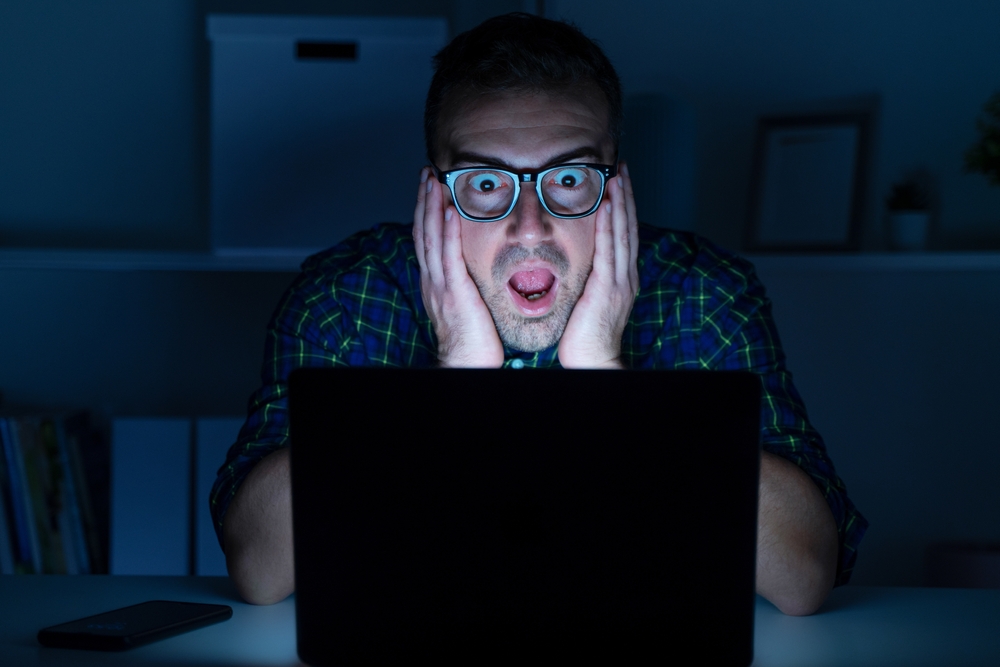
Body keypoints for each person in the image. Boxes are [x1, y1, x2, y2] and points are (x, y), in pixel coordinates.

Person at [211, 12, 866, 615]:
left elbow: (805, 573)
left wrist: (604, 379)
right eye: (487, 183)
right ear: (436, 195)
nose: (531, 226)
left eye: (570, 177)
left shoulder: (704, 293)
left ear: (617, 189)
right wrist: (454, 379)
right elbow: (259, 566)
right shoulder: (346, 296)